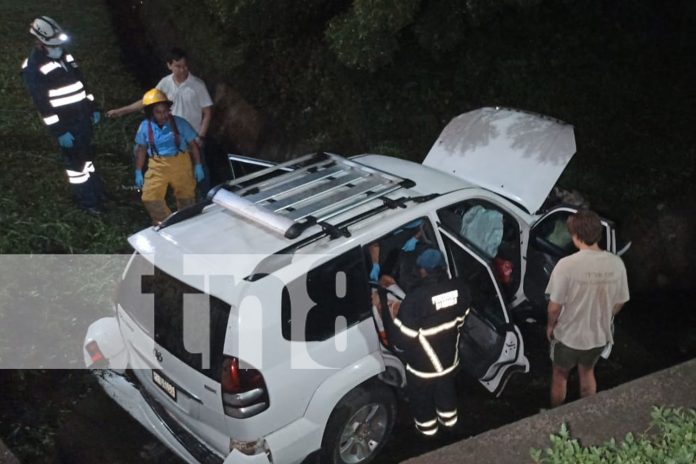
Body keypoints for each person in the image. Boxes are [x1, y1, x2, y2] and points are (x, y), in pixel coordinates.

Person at [380, 248, 470, 437]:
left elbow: (403, 340)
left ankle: (428, 435)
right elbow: (461, 320)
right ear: (443, 267)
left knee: (422, 402)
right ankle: (451, 427)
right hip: (449, 361)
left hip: (422, 368)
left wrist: (391, 315)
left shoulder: (415, 300)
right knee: (446, 393)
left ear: (423, 271)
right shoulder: (460, 288)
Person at [21, 16, 104, 215]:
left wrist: (92, 107)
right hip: (67, 124)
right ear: (40, 42)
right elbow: (42, 105)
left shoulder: (64, 54)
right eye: (53, 42)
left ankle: (97, 193)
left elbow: (81, 83)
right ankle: (88, 202)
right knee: (77, 167)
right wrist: (59, 131)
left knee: (88, 158)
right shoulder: (33, 67)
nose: (58, 45)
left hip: (83, 117)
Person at [545, 210, 629, 408]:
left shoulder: (566, 266)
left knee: (560, 375)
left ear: (575, 236)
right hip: (598, 336)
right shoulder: (616, 263)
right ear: (598, 234)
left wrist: (550, 326)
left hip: (568, 337)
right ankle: (587, 411)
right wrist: (606, 315)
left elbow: (554, 307)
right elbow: (621, 301)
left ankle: (556, 417)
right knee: (587, 371)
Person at [107, 48, 213, 197]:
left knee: (200, 169)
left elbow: (207, 112)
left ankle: (207, 197)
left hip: (191, 137)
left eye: (184, 66)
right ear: (169, 65)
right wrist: (122, 111)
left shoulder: (197, 85)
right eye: (178, 66)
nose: (182, 70)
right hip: (172, 138)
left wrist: (201, 136)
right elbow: (148, 101)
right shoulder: (165, 83)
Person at [134, 89, 204, 224]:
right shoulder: (145, 126)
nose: (163, 115)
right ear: (151, 113)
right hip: (157, 165)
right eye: (158, 112)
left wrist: (198, 165)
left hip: (181, 163)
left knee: (186, 197)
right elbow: (141, 149)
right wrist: (138, 171)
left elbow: (193, 145)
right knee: (150, 197)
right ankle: (166, 222)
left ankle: (188, 223)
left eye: (165, 111)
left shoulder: (180, 123)